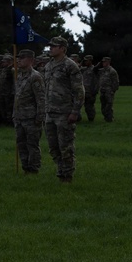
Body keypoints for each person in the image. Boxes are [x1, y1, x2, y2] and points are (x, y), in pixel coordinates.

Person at [43, 36, 85, 183]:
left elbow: (79, 91)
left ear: (62, 48)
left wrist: (75, 111)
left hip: (64, 112)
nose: (51, 49)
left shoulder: (70, 66)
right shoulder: (48, 66)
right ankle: (60, 171)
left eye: (54, 46)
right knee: (53, 146)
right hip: (50, 112)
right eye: (50, 46)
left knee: (65, 146)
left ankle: (67, 175)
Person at [13, 49, 45, 174]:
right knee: (21, 144)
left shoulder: (35, 77)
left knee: (32, 145)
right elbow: (17, 96)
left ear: (31, 60)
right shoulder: (20, 75)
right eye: (18, 58)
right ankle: (25, 167)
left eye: (22, 58)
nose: (19, 60)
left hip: (31, 117)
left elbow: (41, 99)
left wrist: (39, 117)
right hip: (19, 116)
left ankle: (33, 169)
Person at [97, 56, 120, 122]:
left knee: (109, 104)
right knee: (103, 105)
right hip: (102, 90)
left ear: (108, 62)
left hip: (109, 91)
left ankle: (109, 118)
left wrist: (113, 91)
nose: (103, 63)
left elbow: (116, 82)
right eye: (103, 62)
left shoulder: (112, 71)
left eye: (105, 62)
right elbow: (94, 70)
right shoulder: (102, 71)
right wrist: (98, 65)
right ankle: (106, 117)